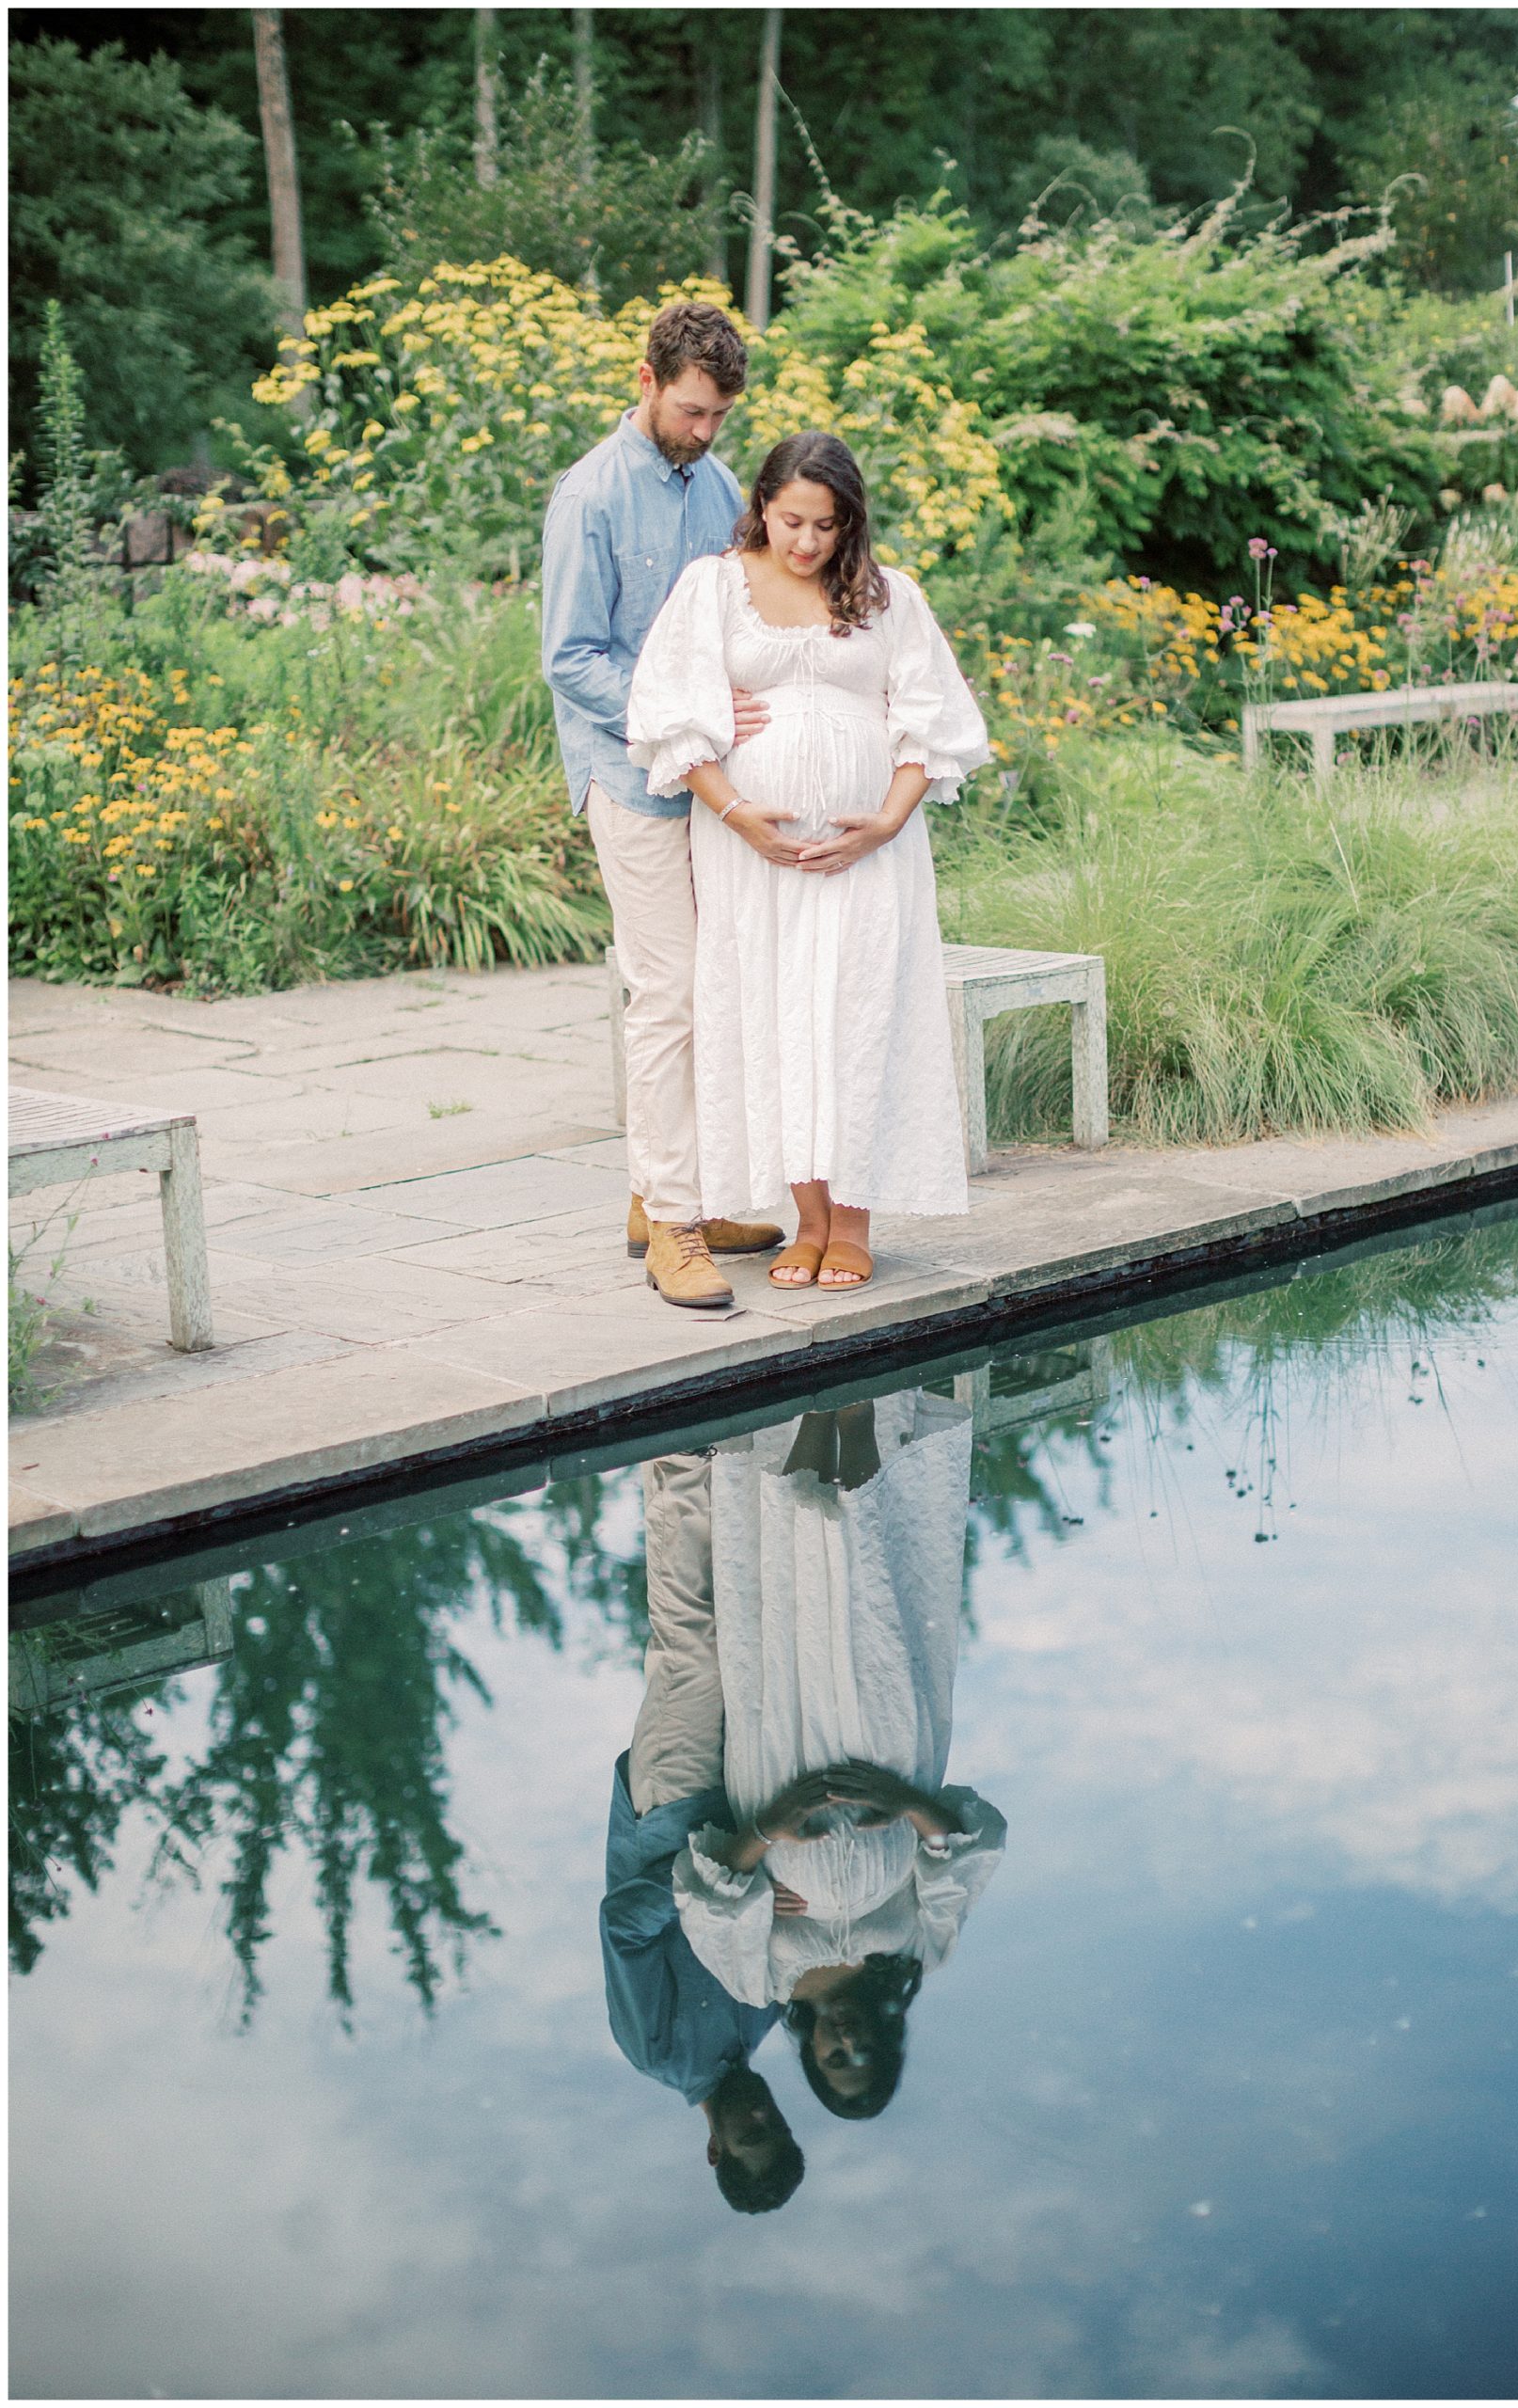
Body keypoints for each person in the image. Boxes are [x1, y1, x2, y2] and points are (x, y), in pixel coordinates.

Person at [625, 430, 992, 1291]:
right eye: (791, 521)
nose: (806, 543)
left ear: (849, 525)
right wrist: (740, 814)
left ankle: (854, 1223)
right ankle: (805, 1220)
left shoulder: (887, 594)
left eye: (826, 527)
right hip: (753, 853)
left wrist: (885, 825)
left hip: (868, 857)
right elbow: (671, 713)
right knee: (775, 1016)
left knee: (858, 1016)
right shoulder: (712, 588)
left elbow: (929, 718)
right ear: (760, 507)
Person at [671, 1389, 1007, 2119]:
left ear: (814, 2056)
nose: (848, 2045)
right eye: (867, 2057)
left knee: (788, 1605)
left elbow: (701, 1893)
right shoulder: (920, 1953)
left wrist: (771, 1827)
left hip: (777, 1765)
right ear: (888, 2044)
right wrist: (908, 1804)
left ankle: (803, 1403)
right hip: (888, 1759)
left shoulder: (758, 1982)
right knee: (868, 1604)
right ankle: (855, 1400)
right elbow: (977, 1849)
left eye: (835, 2062)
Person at [542, 299, 783, 1310]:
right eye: (690, 410)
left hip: (712, 782)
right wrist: (681, 713)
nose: (705, 431)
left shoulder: (719, 483)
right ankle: (673, 1232)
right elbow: (570, 659)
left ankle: (671, 1189)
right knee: (667, 996)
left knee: (715, 989)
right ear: (645, 381)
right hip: (630, 778)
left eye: (719, 414)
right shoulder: (588, 496)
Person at [599, 1451, 804, 2212]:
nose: (761, 2115)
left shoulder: (654, 2053)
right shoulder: (769, 2007)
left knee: (692, 1641)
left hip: (671, 1809)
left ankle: (678, 1454)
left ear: (715, 2148)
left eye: (751, 2135)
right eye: (776, 2126)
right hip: (744, 1789)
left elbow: (621, 1926)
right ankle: (746, 1453)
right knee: (753, 1638)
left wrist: (716, 1891)